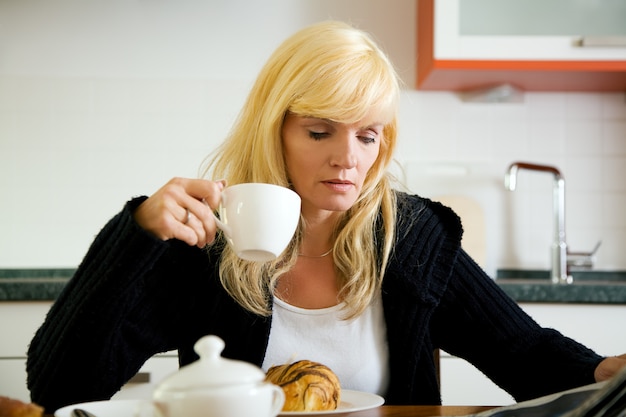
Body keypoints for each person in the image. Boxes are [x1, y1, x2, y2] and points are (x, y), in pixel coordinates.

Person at [26, 20, 625, 413]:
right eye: (319, 131)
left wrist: (605, 371)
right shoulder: (205, 239)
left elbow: (522, 353)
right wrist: (137, 239)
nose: (348, 159)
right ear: (275, 128)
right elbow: (60, 389)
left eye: (368, 136)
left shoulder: (410, 238)